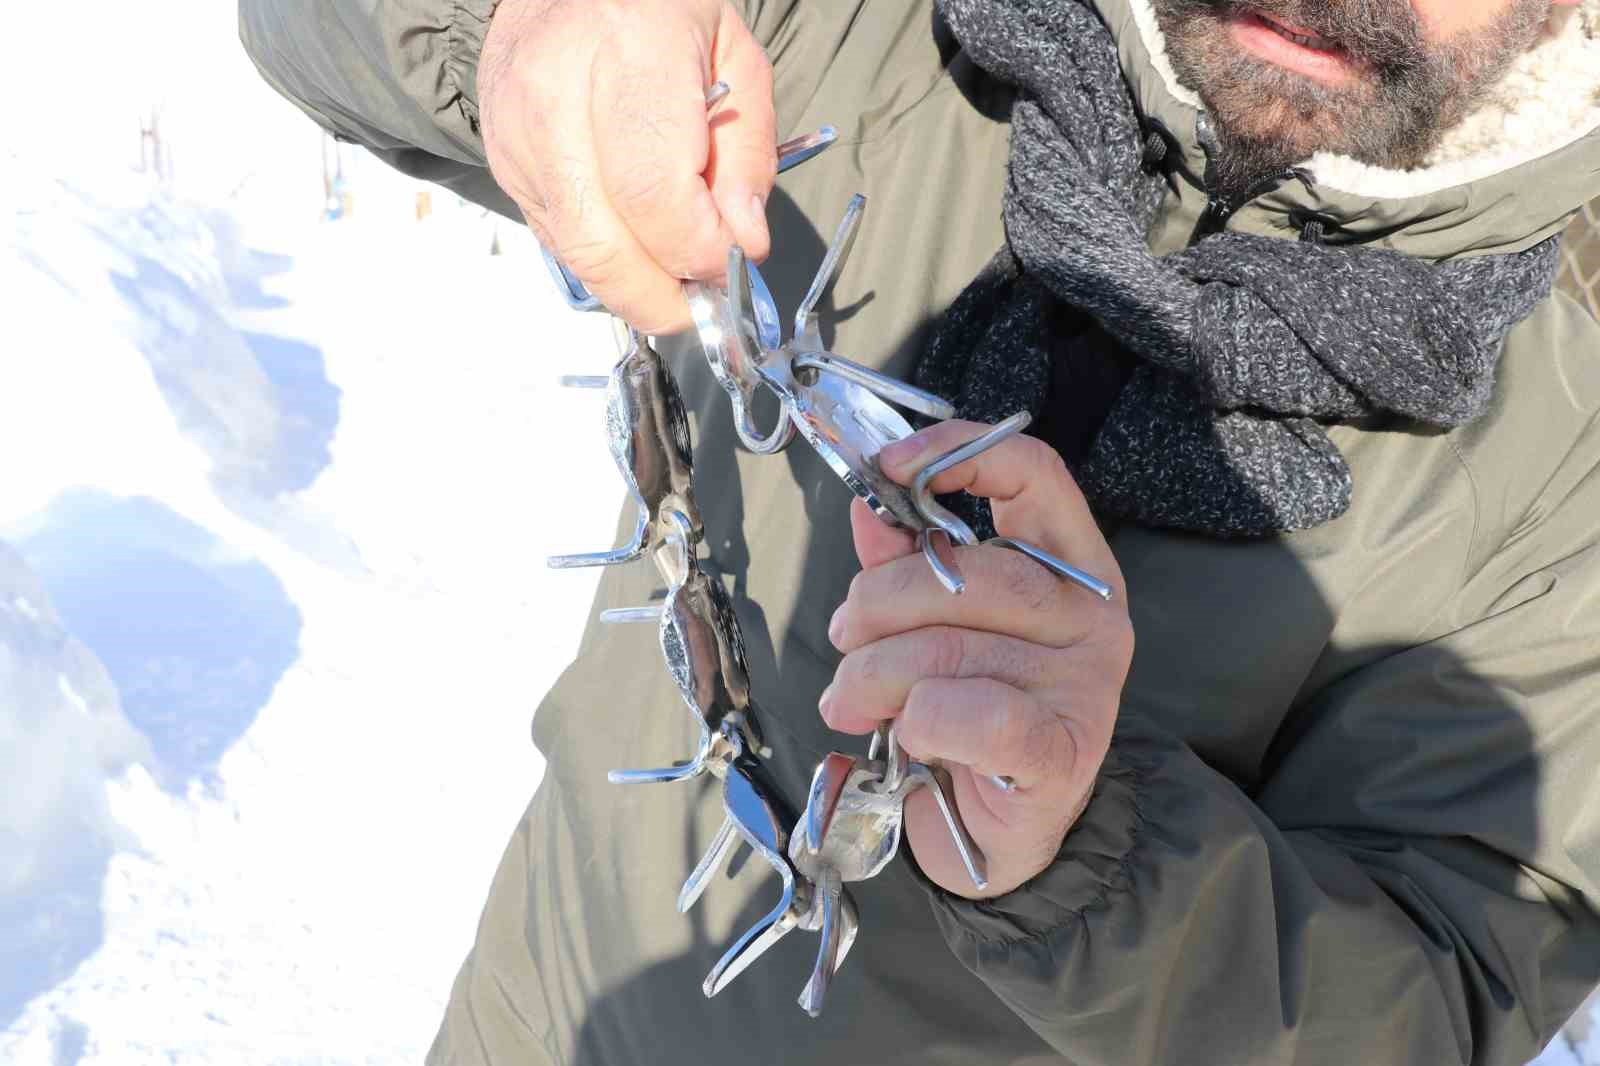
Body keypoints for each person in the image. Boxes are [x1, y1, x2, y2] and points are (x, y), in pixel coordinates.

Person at [239, 0, 1600, 1062]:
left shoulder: (1564, 482)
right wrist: (526, 27)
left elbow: (1434, 998)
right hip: (545, 1023)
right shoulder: (868, 30)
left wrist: (1095, 852)